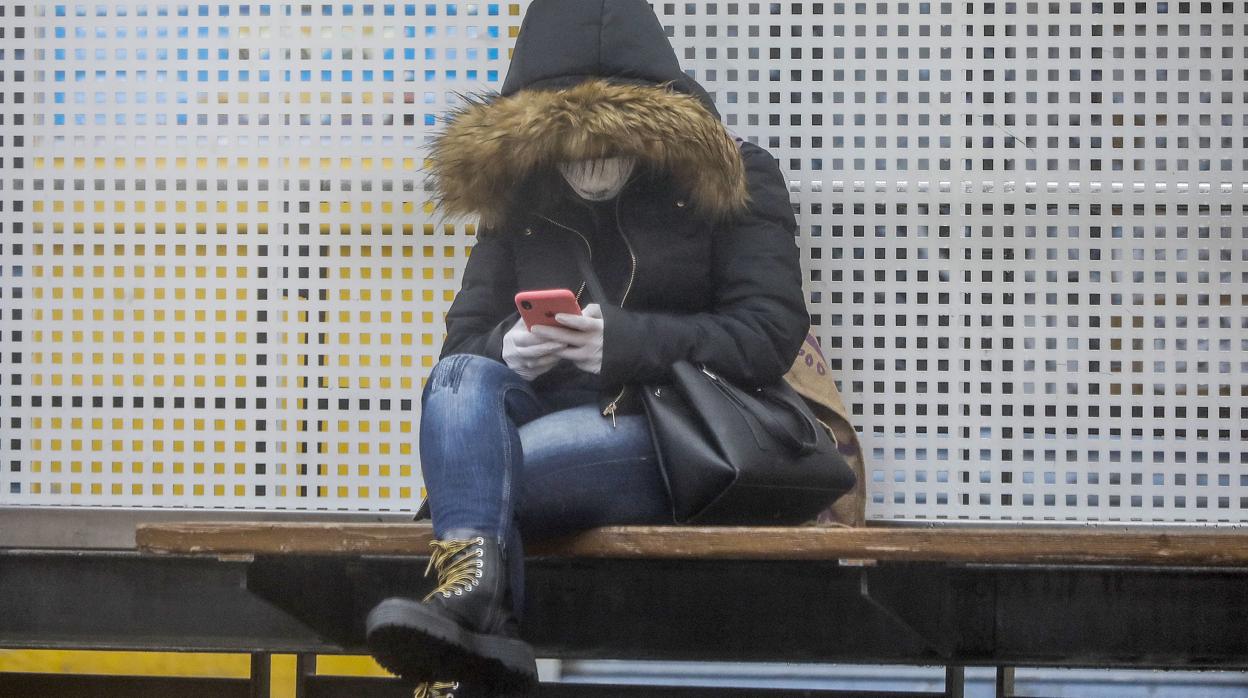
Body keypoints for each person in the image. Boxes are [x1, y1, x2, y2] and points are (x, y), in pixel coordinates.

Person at [364, 0, 809, 695]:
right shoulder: (522, 194)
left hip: (668, 430)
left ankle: (467, 655)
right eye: (573, 148)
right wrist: (507, 349)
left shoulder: (735, 176)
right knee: (458, 378)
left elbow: (769, 334)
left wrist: (624, 344)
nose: (592, 167)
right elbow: (462, 344)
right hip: (542, 406)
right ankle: (480, 636)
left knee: (484, 486)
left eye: (613, 145)